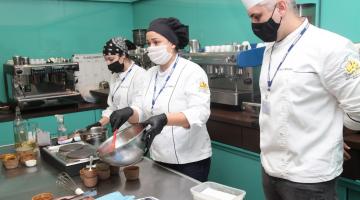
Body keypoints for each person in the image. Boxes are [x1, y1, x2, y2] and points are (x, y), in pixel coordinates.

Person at [239, 0, 360, 199]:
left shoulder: (330, 46)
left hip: (310, 179)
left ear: (281, 7)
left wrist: (333, 134)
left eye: (257, 16)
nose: (254, 24)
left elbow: (358, 107)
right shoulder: (270, 48)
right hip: (270, 169)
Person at [109, 17, 212, 182]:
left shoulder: (192, 71)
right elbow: (142, 111)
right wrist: (129, 112)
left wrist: (165, 119)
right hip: (159, 155)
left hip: (190, 159)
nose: (151, 48)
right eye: (149, 43)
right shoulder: (150, 74)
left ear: (172, 43)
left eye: (156, 42)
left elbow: (200, 113)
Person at [86, 37, 146, 130]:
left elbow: (141, 111)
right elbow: (112, 108)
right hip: (120, 131)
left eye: (111, 59)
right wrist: (99, 123)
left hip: (136, 131)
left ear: (123, 56)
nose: (108, 63)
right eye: (106, 60)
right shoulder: (115, 76)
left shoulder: (140, 75)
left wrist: (126, 113)